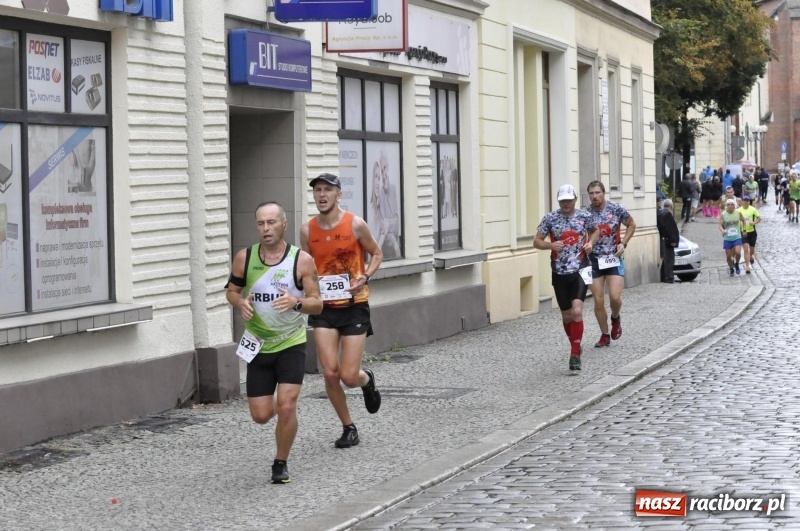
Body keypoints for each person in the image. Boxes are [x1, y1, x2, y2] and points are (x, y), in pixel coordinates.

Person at [225, 202, 323, 485]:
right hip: (258, 344)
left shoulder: (301, 260)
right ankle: (278, 423)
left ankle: (280, 462)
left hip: (290, 343)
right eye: (260, 224)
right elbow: (231, 291)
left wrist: (296, 302)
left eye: (271, 222)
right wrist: (240, 302)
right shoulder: (245, 257)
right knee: (261, 415)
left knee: (287, 405)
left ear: (284, 224)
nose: (266, 229)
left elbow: (317, 305)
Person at [300, 173, 384, 449]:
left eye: (327, 190)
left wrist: (366, 275)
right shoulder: (307, 230)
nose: (321, 195)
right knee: (330, 373)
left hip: (353, 306)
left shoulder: (355, 225)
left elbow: (377, 253)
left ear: (339, 195)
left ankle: (366, 380)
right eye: (317, 191)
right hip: (324, 309)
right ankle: (348, 427)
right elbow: (306, 267)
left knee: (349, 376)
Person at [534, 184, 598, 371]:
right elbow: (536, 241)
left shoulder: (584, 216)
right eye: (562, 201)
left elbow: (595, 231)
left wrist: (590, 243)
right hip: (559, 271)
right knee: (567, 315)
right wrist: (550, 246)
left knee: (577, 311)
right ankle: (575, 345)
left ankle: (574, 353)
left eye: (569, 200)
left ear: (575, 200)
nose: (566, 204)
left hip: (580, 267)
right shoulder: (550, 219)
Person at [585, 181, 635, 348]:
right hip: (593, 260)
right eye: (591, 193)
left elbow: (631, 225)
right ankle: (604, 334)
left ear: (604, 193)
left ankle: (615, 317)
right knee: (598, 300)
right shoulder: (585, 213)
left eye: (597, 192)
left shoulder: (616, 209)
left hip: (613, 258)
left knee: (614, 296)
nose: (594, 196)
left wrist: (624, 243)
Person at [720, 198, 745, 277]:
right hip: (727, 238)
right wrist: (722, 230)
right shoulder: (723, 214)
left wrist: (744, 230)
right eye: (728, 205)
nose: (730, 206)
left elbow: (744, 220)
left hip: (737, 236)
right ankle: (731, 268)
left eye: (732, 205)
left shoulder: (738, 213)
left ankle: (737, 264)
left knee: (738, 252)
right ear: (726, 206)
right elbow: (720, 224)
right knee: (728, 257)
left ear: (734, 206)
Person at [656, 198, 680, 283]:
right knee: (669, 259)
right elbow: (670, 229)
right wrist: (673, 240)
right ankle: (669, 277)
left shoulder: (661, 213)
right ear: (671, 206)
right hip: (668, 240)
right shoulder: (668, 214)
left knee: (665, 259)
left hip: (663, 239)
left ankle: (664, 277)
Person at [737, 195, 761, 273]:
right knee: (746, 248)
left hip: (752, 232)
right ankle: (747, 266)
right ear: (742, 202)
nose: (746, 202)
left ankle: (751, 257)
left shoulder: (753, 209)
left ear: (749, 202)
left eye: (747, 201)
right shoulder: (739, 210)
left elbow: (759, 218)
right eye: (744, 201)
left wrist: (753, 223)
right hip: (743, 232)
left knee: (752, 250)